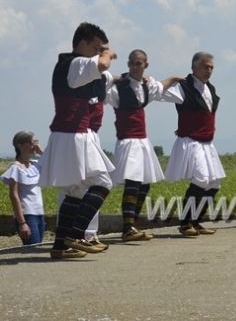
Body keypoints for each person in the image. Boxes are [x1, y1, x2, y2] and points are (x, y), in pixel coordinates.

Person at [38, 22, 117, 259]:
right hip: (73, 135)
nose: (98, 52)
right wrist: (107, 52)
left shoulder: (70, 66)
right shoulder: (76, 62)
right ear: (82, 43)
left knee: (75, 191)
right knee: (103, 183)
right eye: (95, 47)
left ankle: (61, 246)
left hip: (70, 134)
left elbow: (104, 74)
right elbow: (102, 64)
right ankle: (76, 234)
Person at [105, 49, 182, 241]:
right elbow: (99, 84)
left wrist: (175, 78)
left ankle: (132, 224)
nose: (135, 66)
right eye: (132, 63)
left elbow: (161, 86)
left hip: (143, 141)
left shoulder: (148, 86)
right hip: (128, 140)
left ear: (145, 65)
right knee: (133, 182)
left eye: (139, 63)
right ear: (128, 65)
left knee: (144, 185)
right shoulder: (118, 87)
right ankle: (128, 227)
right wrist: (114, 78)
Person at [162, 52, 224, 237]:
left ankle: (195, 222)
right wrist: (172, 78)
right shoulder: (183, 88)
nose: (209, 70)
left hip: (207, 143)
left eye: (211, 67)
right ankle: (185, 223)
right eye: (206, 66)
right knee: (201, 179)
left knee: (214, 184)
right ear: (194, 68)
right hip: (191, 142)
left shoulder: (210, 89)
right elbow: (158, 92)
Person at [2, 132, 45, 245]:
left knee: (37, 249)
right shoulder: (15, 168)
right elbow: (14, 195)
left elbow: (54, 165)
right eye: (31, 142)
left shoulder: (36, 165)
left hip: (40, 214)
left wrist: (41, 152)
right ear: (19, 145)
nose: (35, 146)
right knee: (32, 249)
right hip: (27, 215)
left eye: (36, 142)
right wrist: (22, 223)